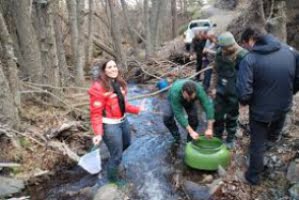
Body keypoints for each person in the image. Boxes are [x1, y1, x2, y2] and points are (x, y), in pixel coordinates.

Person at [237, 26, 299, 185]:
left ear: (251, 39)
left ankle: (253, 177)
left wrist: (247, 102)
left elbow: (244, 94)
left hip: (260, 111)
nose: (245, 48)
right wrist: (289, 93)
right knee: (273, 135)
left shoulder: (249, 60)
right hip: (284, 106)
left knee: (257, 145)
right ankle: (270, 155)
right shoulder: (290, 52)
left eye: (245, 44)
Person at [88, 60, 143, 185]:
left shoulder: (118, 82)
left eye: (114, 66)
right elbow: (95, 114)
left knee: (127, 143)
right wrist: (98, 133)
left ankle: (114, 157)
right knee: (117, 156)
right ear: (104, 70)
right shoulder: (98, 87)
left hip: (123, 121)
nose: (113, 69)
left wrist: (137, 110)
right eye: (109, 67)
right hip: (110, 125)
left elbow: (123, 104)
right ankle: (113, 181)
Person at [213, 32, 248, 148]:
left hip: (234, 91)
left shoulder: (243, 56)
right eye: (221, 48)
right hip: (220, 89)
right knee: (217, 114)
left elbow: (247, 77)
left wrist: (244, 95)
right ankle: (217, 136)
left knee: (232, 116)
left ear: (231, 46)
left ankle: (230, 138)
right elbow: (216, 71)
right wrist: (214, 87)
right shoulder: (219, 53)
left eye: (224, 48)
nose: (222, 51)